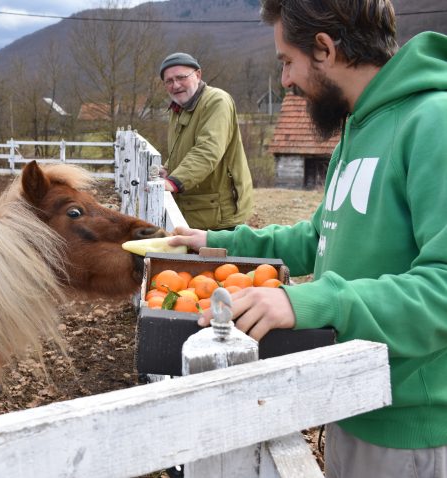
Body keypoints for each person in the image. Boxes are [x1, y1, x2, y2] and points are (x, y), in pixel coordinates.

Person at [169, 1, 447, 476]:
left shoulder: (433, 122)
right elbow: (318, 236)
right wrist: (216, 240)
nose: (285, 81)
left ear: (324, 49)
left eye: (286, 61)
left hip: (406, 427)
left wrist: (315, 303)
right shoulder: (356, 130)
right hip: (349, 395)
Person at [158, 52, 253, 231]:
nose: (175, 85)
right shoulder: (178, 109)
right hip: (199, 209)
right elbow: (181, 148)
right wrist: (168, 169)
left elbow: (208, 149)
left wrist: (174, 181)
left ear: (198, 74)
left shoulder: (217, 101)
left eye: (181, 77)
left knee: (219, 260)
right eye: (169, 81)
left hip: (218, 214)